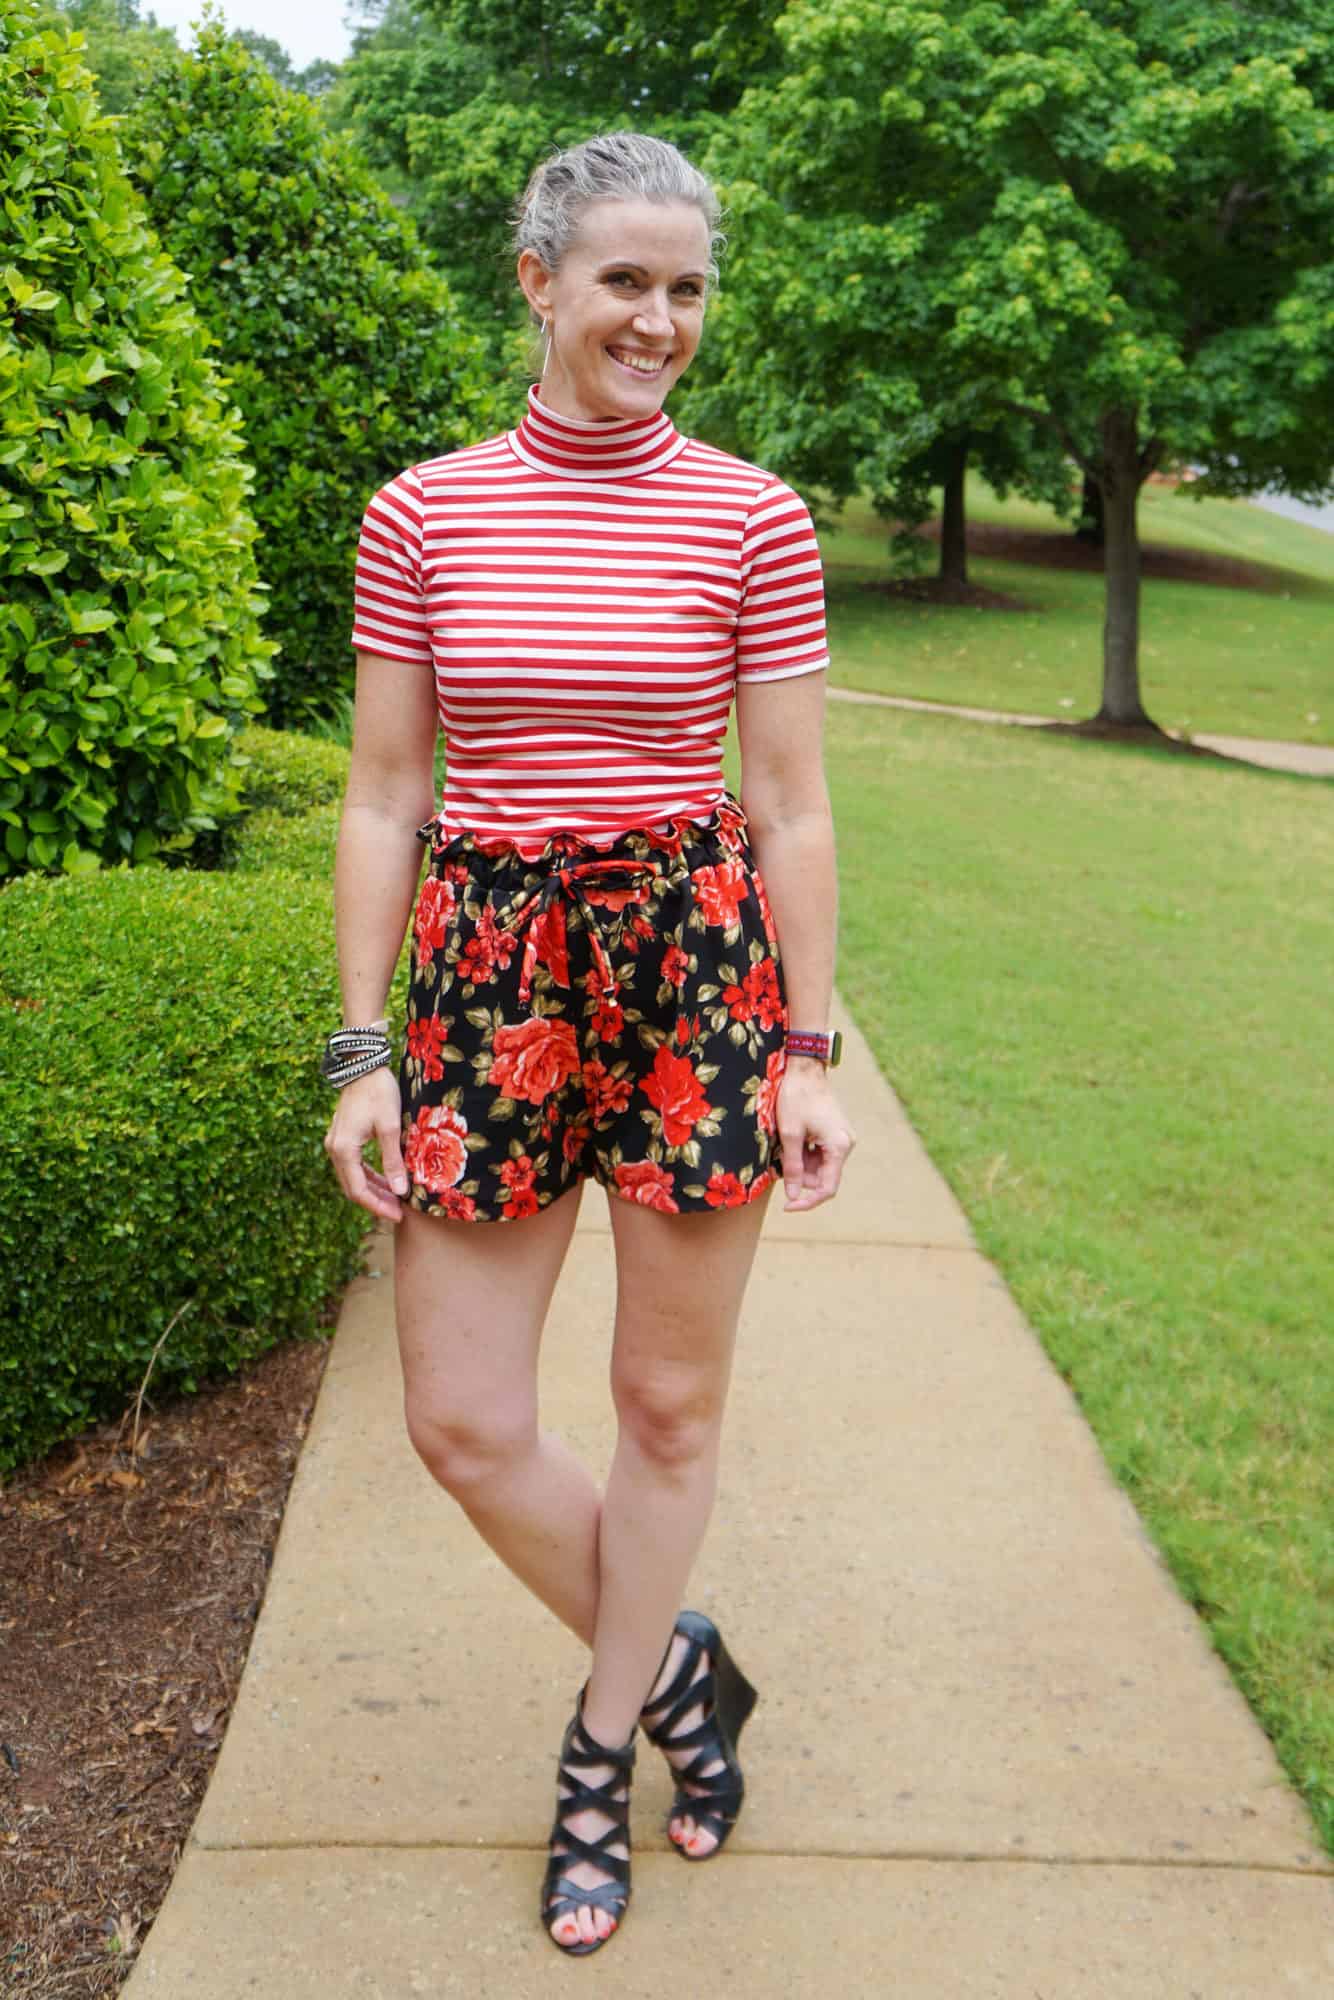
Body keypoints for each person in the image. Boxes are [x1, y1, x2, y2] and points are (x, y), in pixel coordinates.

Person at [323, 130, 855, 1957]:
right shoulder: (423, 511)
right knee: (464, 1421)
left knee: (665, 1406)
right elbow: (383, 792)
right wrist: (361, 1048)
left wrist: (804, 1046)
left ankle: (600, 1746)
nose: (659, 318)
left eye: (687, 288)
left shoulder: (752, 517)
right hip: (485, 971)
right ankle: (683, 1658)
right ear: (538, 280)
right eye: (625, 279)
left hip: (691, 972)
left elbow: (788, 805)